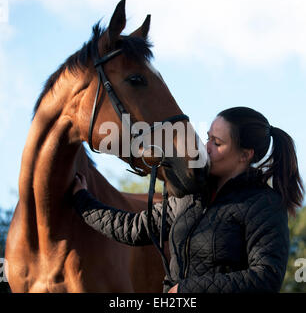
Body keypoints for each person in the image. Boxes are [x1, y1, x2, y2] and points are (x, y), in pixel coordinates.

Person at [70, 106, 304, 293]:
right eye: (208, 138)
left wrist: (187, 289)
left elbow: (265, 278)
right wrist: (82, 199)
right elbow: (134, 228)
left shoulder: (264, 204)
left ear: (245, 155)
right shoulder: (191, 195)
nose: (205, 147)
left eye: (217, 143)